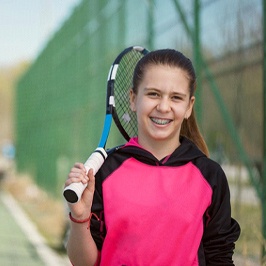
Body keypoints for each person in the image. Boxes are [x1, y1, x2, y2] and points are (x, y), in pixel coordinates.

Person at [64, 49, 240, 265]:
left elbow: (219, 257)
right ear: (133, 98)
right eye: (153, 94)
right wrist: (80, 218)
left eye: (176, 98)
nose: (163, 107)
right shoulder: (105, 172)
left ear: (189, 107)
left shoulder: (210, 176)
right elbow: (84, 263)